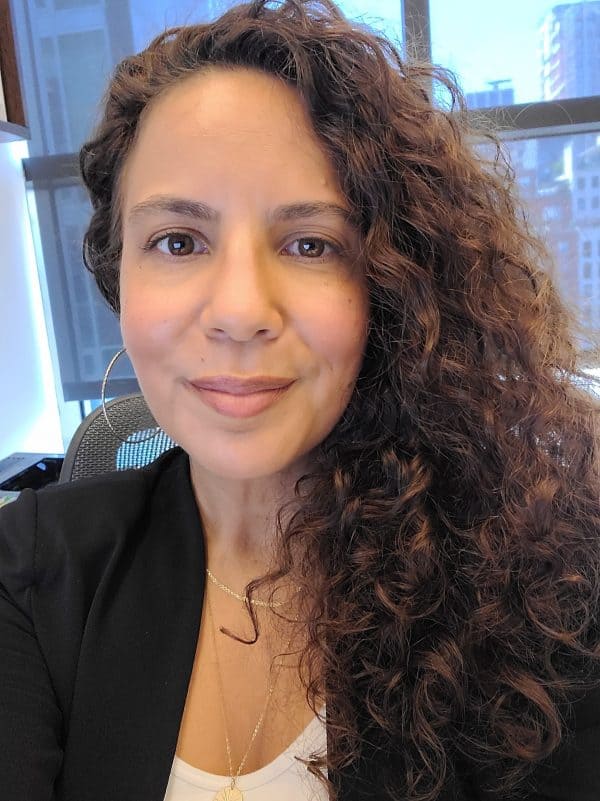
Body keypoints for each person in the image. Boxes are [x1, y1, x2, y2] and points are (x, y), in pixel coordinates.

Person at [1, 0, 600, 799]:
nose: (240, 311)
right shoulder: (30, 567)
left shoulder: (542, 592)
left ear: (388, 286)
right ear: (120, 276)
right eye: (177, 241)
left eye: (310, 243)